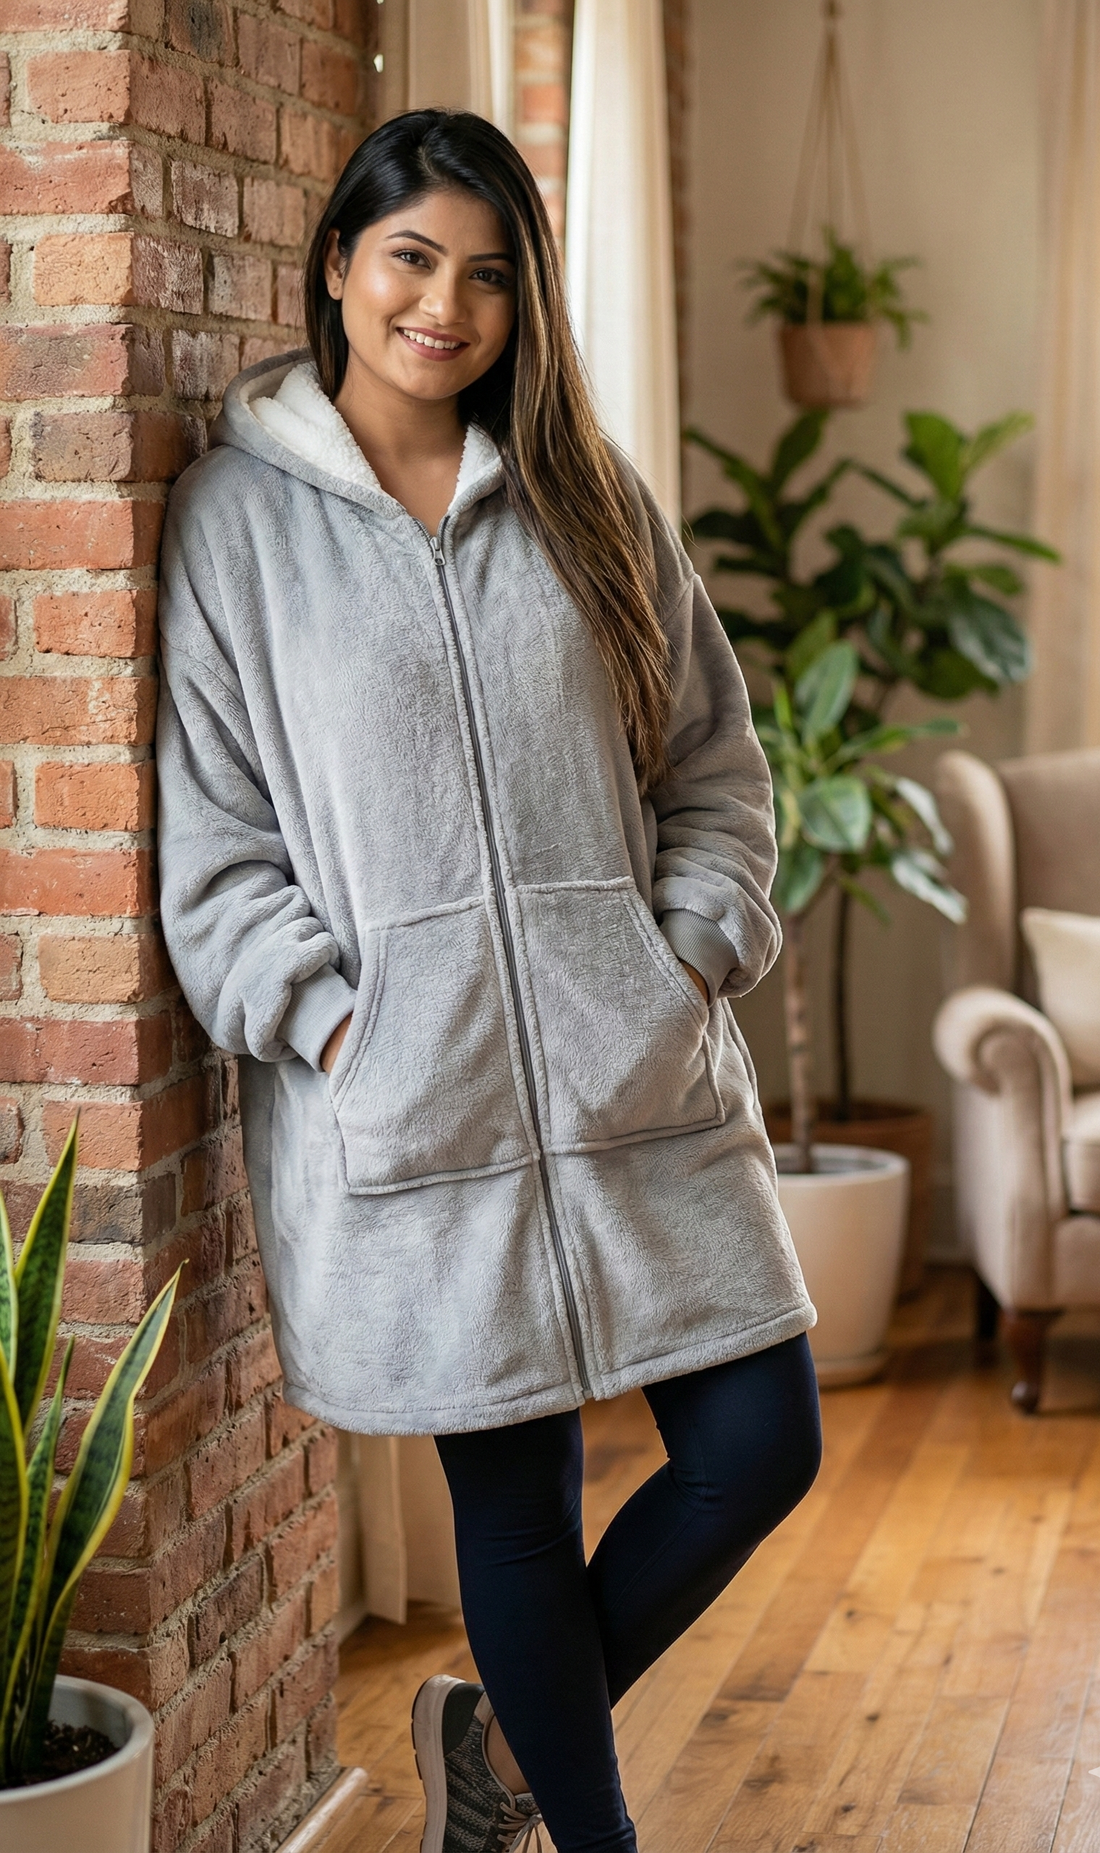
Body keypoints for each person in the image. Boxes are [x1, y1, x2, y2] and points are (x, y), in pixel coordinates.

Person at [157, 108, 821, 1853]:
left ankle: (505, 1729)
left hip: (642, 1077)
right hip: (414, 1107)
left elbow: (717, 768)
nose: (443, 306)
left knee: (760, 1447)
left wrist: (687, 953)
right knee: (515, 1523)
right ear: (338, 266)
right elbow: (216, 855)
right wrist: (337, 1021)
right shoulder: (238, 530)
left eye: (488, 276)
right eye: (411, 259)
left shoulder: (592, 500)